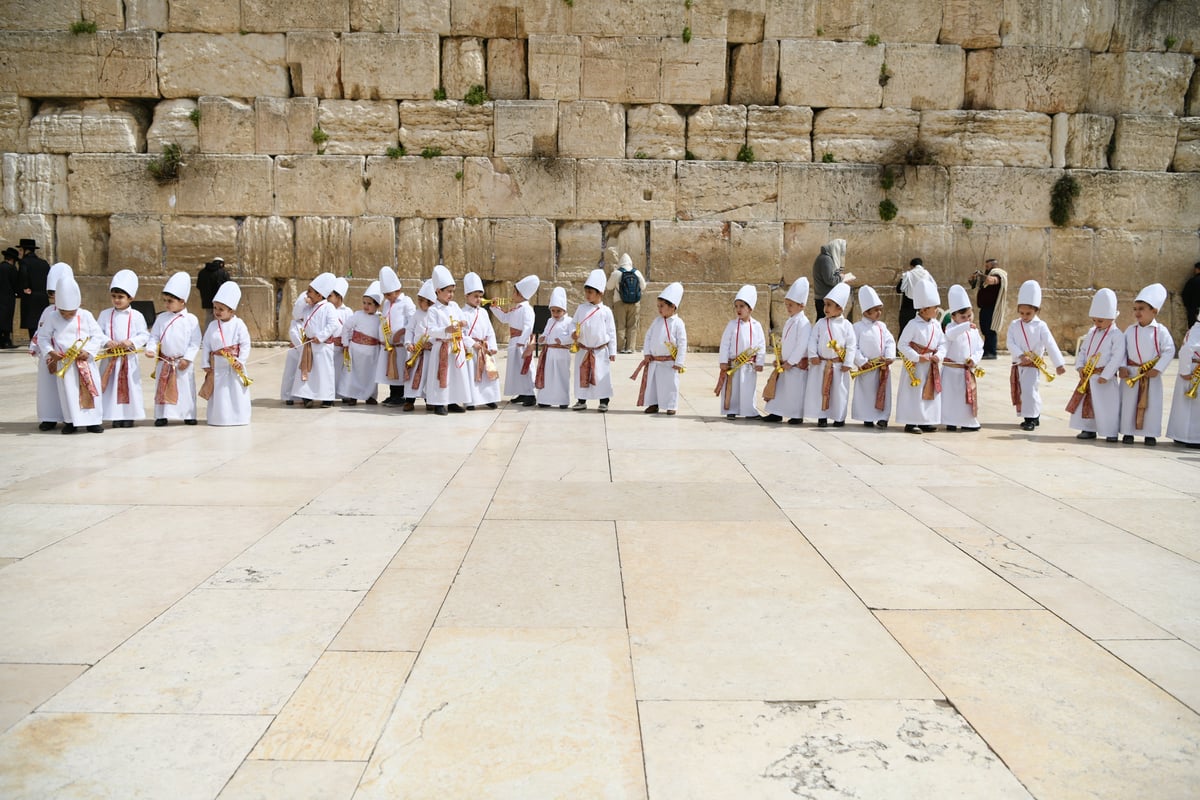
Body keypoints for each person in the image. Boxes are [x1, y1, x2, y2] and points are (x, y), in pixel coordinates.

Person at [39, 276, 105, 434]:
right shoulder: (52, 317)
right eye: (63, 312)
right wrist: (50, 352)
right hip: (65, 362)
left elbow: (98, 336)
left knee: (89, 390)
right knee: (68, 392)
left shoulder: (86, 315)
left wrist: (88, 350)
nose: (67, 316)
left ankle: (93, 421)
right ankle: (71, 421)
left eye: (71, 313)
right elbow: (43, 337)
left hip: (84, 361)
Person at [1118, 283, 1175, 446]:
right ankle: (1128, 432)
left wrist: (1158, 368)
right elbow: (1122, 351)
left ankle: (1150, 433)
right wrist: (1122, 366)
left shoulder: (1161, 331)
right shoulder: (1130, 330)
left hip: (1151, 375)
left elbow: (1169, 350)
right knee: (1129, 403)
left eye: (1141, 308)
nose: (1137, 312)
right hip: (1132, 373)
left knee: (1152, 404)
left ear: (1154, 311)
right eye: (1135, 308)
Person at [1007, 280, 1066, 432]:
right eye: (1021, 313)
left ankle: (1031, 418)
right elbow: (1010, 342)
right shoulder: (1014, 324)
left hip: (1033, 364)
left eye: (1028, 313)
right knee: (1022, 390)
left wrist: (1058, 364)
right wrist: (1020, 355)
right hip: (1020, 363)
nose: (1024, 316)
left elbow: (1050, 343)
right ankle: (1033, 415)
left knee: (1030, 390)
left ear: (1036, 311)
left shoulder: (1041, 326)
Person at [146, 271, 202, 427]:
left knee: (185, 388)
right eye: (164, 301)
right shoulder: (161, 318)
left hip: (182, 362)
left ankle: (188, 414)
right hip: (164, 360)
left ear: (182, 301)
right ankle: (161, 415)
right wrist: (150, 349)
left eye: (170, 301)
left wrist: (188, 358)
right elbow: (154, 337)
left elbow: (195, 341)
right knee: (162, 386)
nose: (166, 304)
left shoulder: (191, 320)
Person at [1067, 288, 1124, 443]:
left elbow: (1117, 357)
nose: (1096, 324)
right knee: (1088, 403)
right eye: (1094, 320)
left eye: (1100, 321)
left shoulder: (1117, 335)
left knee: (1107, 405)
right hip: (1089, 376)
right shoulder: (1092, 332)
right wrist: (1080, 366)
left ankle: (1110, 431)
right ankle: (1088, 428)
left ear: (1111, 318)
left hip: (1103, 377)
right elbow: (1084, 350)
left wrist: (1106, 375)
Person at [96, 270, 149, 428]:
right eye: (114, 296)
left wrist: (131, 341)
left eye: (121, 297)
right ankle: (113, 415)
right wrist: (107, 342)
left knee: (129, 386)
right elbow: (97, 333)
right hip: (110, 358)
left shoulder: (137, 315)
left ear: (130, 298)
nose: (117, 300)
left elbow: (144, 335)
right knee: (111, 387)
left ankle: (129, 415)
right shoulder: (105, 314)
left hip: (128, 358)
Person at [895, 278, 946, 434]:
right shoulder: (912, 325)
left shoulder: (936, 325)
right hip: (916, 366)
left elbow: (943, 343)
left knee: (930, 391)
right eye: (934, 307)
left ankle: (926, 420)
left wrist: (939, 355)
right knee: (914, 392)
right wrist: (916, 357)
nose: (937, 310)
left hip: (931, 364)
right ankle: (911, 421)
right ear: (923, 309)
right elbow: (901, 344)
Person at [803, 282, 857, 427]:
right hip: (821, 364)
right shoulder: (821, 323)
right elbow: (813, 340)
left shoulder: (847, 326)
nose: (825, 308)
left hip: (839, 366)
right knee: (821, 390)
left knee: (838, 392)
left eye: (829, 305)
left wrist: (848, 363)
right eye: (825, 304)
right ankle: (822, 416)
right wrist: (813, 355)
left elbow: (851, 346)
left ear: (839, 308)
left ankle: (839, 417)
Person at [421, 264, 473, 416]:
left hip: (455, 345)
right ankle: (439, 402)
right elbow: (430, 330)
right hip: (442, 347)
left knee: (455, 374)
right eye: (448, 291)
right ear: (438, 291)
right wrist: (445, 330)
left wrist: (463, 323)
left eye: (452, 292)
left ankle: (453, 400)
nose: (451, 295)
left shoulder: (455, 306)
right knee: (441, 374)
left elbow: (463, 319)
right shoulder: (433, 310)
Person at [199, 281, 252, 426]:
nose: (217, 311)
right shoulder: (212, 325)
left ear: (231, 311)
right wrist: (205, 362)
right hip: (217, 365)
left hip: (233, 364)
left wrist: (241, 360)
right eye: (215, 307)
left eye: (221, 309)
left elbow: (245, 344)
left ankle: (238, 417)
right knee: (219, 392)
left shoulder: (239, 324)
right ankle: (219, 418)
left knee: (235, 390)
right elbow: (207, 345)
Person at [761, 277, 812, 425]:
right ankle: (776, 413)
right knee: (781, 390)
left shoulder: (804, 323)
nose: (788, 308)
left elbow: (801, 345)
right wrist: (781, 358)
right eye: (787, 304)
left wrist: (792, 361)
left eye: (791, 305)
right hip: (785, 364)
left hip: (795, 366)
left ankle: (796, 415)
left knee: (795, 392)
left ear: (801, 306)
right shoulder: (790, 320)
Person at [633, 282, 686, 415]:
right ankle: (653, 404)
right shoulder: (657, 321)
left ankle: (671, 405)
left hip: (669, 363)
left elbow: (682, 343)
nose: (659, 309)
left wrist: (679, 361)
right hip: (654, 361)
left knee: (670, 385)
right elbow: (648, 337)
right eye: (658, 306)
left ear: (673, 306)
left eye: (662, 306)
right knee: (653, 385)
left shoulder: (678, 323)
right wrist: (647, 353)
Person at [31, 262, 73, 431]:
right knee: (48, 388)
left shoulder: (73, 311)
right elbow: (40, 330)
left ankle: (68, 416)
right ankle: (49, 416)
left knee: (67, 387)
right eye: (52, 294)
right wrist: (34, 346)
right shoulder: (48, 311)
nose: (56, 298)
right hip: (49, 355)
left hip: (65, 356)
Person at [289, 272, 340, 409]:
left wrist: (321, 336)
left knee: (324, 371)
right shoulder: (307, 308)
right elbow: (296, 314)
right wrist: (303, 301)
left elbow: (333, 324)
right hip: (309, 344)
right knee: (308, 370)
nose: (307, 294)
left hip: (322, 345)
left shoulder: (328, 307)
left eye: (310, 292)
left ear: (319, 295)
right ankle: (307, 396)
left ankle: (326, 398)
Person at [571, 268, 618, 412]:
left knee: (601, 375)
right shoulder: (581, 308)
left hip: (600, 350)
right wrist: (573, 333)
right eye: (586, 292)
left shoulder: (606, 311)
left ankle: (604, 400)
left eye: (590, 292)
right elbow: (574, 323)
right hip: (584, 349)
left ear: (600, 293)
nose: (587, 295)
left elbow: (611, 331)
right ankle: (581, 400)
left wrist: (612, 351)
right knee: (583, 374)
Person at [489, 274, 539, 407]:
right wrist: (494, 307)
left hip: (521, 343)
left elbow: (528, 327)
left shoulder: (527, 309)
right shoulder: (517, 308)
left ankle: (530, 394)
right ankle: (522, 392)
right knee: (516, 368)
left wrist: (522, 342)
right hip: (514, 341)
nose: (512, 294)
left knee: (525, 367)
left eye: (514, 292)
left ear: (520, 294)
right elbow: (505, 318)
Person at [717, 284, 765, 419]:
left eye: (742, 306)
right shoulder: (732, 325)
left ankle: (749, 411)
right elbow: (725, 344)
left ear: (750, 308)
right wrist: (723, 361)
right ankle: (730, 410)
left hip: (749, 365)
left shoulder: (756, 326)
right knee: (732, 389)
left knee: (748, 389)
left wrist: (760, 362)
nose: (738, 309)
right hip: (733, 365)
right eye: (736, 306)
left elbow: (761, 344)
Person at [850, 285, 895, 429]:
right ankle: (867, 417)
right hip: (867, 367)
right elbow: (853, 346)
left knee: (882, 392)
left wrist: (889, 356)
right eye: (876, 310)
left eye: (880, 309)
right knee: (867, 393)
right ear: (866, 312)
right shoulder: (857, 327)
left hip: (881, 366)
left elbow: (890, 341)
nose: (879, 313)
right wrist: (862, 361)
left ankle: (883, 417)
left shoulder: (882, 326)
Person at [940, 285, 984, 432]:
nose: (966, 320)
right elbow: (950, 335)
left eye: (969, 316)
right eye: (962, 317)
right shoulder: (950, 328)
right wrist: (965, 325)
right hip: (952, 371)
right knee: (951, 397)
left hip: (966, 369)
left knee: (966, 397)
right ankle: (950, 421)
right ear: (953, 316)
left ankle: (967, 421)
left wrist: (974, 359)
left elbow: (979, 347)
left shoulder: (973, 330)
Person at [339, 281, 385, 406]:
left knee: (370, 375)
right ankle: (353, 396)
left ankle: (369, 395)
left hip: (372, 352)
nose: (366, 306)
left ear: (377, 305)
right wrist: (345, 343)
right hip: (356, 350)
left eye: (369, 304)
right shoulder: (357, 315)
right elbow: (346, 328)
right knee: (353, 373)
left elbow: (382, 334)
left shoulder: (380, 318)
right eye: (364, 303)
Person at [461, 272, 501, 409]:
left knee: (487, 373)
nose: (478, 299)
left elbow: (490, 331)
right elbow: (461, 334)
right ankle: (472, 400)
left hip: (484, 347)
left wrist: (492, 345)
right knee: (473, 374)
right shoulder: (462, 313)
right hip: (472, 350)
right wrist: (472, 343)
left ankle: (489, 398)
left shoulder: (483, 312)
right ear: (467, 296)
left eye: (480, 296)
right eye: (475, 296)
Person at [377, 266, 415, 408]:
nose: (386, 297)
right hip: (390, 344)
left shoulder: (406, 302)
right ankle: (393, 394)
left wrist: (401, 332)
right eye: (385, 294)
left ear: (397, 291)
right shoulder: (387, 303)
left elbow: (412, 321)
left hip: (400, 344)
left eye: (389, 294)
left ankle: (400, 395)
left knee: (399, 368)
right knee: (391, 370)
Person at [535, 287, 573, 409]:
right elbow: (546, 333)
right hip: (549, 353)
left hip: (562, 354)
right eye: (553, 311)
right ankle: (545, 399)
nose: (555, 314)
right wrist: (542, 338)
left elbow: (572, 336)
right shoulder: (549, 320)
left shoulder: (569, 321)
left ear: (564, 310)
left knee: (561, 376)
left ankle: (562, 400)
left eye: (558, 311)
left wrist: (562, 340)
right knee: (548, 376)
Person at [1166, 318, 1200, 449]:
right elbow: (1186, 351)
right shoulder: (1197, 331)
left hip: (1192, 369)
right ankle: (1192, 438)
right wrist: (1185, 371)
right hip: (1192, 371)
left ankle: (1183, 435)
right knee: (1192, 408)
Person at [605, 251, 646, 354]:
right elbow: (643, 286)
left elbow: (609, 287)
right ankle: (630, 348)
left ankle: (620, 348)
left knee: (621, 325)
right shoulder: (636, 272)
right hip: (635, 303)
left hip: (620, 302)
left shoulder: (617, 273)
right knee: (632, 326)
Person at [969, 258, 1008, 359]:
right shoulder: (987, 276)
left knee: (990, 330)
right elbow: (974, 284)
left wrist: (980, 275)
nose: (986, 268)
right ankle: (986, 351)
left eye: (987, 267)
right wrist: (974, 278)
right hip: (985, 308)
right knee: (985, 330)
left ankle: (991, 352)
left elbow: (991, 281)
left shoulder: (998, 274)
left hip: (992, 308)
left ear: (993, 266)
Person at [812, 239, 854, 321]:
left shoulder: (824, 258)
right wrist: (842, 277)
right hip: (824, 299)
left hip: (824, 297)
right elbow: (830, 280)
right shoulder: (826, 259)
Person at [17, 238, 50, 340]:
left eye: (21, 250)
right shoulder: (44, 263)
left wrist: (24, 288)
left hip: (31, 296)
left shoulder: (24, 262)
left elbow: (23, 276)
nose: (19, 252)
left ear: (26, 250)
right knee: (41, 321)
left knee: (31, 322)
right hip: (43, 296)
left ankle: (34, 342)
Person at [280, 292, 310, 405]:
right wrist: (302, 348)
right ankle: (288, 395)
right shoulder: (295, 323)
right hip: (296, 353)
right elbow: (293, 334)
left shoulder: (310, 322)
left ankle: (303, 395)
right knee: (291, 373)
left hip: (307, 354)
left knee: (304, 375)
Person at [329, 277, 353, 401]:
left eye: (331, 296)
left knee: (343, 372)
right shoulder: (326, 309)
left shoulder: (348, 311)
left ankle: (344, 394)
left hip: (343, 348)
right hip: (329, 346)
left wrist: (345, 342)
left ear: (339, 297)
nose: (328, 298)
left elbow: (350, 329)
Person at [895, 257, 930, 333]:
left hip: (907, 308)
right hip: (922, 309)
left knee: (904, 332)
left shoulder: (907, 275)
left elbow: (898, 289)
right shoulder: (927, 275)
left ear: (912, 266)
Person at [196, 257, 230, 328]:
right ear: (221, 263)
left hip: (207, 300)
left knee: (209, 317)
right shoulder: (223, 272)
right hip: (220, 301)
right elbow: (228, 286)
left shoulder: (202, 272)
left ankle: (207, 335)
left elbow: (198, 286)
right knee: (220, 319)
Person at [0, 247, 19, 348]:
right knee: (7, 319)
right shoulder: (11, 269)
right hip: (8, 298)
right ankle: (6, 341)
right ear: (13, 259)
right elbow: (15, 283)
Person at [1182, 262, 1200, 329]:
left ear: (1197, 269)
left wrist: (1189, 308)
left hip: (1194, 311)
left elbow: (1185, 295)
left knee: (1194, 331)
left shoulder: (1193, 281)